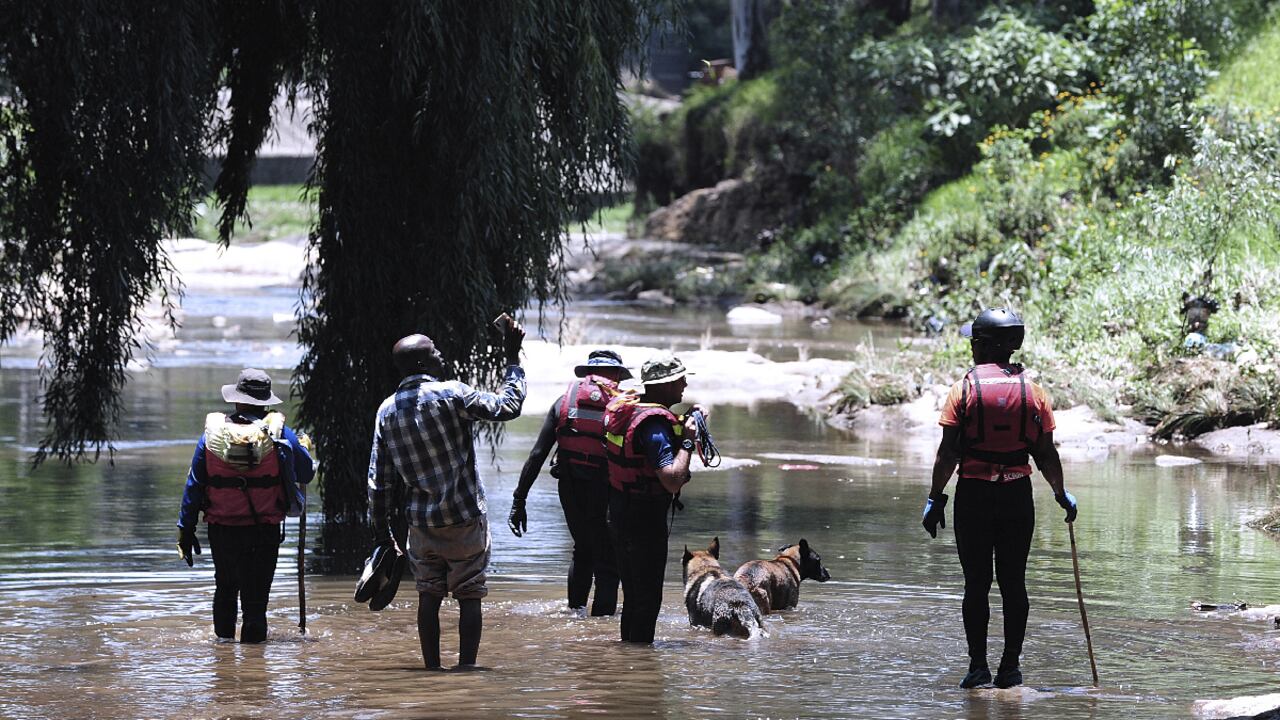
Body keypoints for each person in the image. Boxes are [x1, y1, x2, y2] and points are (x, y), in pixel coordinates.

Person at [921, 308, 1078, 689]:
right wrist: (1060, 493)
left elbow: (948, 454)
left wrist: (935, 497)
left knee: (976, 584)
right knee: (1014, 583)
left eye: (974, 341)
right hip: (1016, 499)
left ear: (982, 346)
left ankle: (978, 667)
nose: (971, 348)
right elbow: (1046, 453)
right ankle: (1010, 668)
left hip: (974, 497)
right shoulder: (1034, 393)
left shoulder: (963, 390)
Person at [367, 322, 525, 669]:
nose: (441, 355)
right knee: (470, 594)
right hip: (465, 517)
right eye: (435, 351)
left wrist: (383, 534)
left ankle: (432, 671)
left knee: (428, 593)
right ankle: (467, 670)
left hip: (421, 524)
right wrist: (512, 357)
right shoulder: (453, 394)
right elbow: (509, 406)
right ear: (425, 364)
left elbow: (379, 482)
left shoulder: (386, 411)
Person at [176, 368, 315, 643]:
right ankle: (256, 668)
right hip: (264, 530)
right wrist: (303, 449)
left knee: (225, 589)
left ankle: (223, 659)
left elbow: (194, 485)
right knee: (256, 600)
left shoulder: (213, 435)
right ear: (265, 401)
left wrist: (185, 529)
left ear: (237, 399)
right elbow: (306, 473)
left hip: (222, 529)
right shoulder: (279, 432)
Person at [508, 349, 630, 616]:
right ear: (617, 376)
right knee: (608, 564)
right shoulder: (624, 408)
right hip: (607, 491)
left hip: (571, 488)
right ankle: (599, 633)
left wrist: (519, 500)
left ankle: (575, 615)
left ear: (587, 375)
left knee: (583, 550)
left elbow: (537, 455)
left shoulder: (563, 402)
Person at [603, 352, 704, 643]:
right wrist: (687, 440)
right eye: (679, 380)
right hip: (643, 518)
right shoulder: (654, 425)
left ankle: (627, 661)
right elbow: (672, 480)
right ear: (664, 385)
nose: (684, 384)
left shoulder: (633, 410)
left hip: (620, 511)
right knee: (647, 599)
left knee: (633, 596)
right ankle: (639, 670)